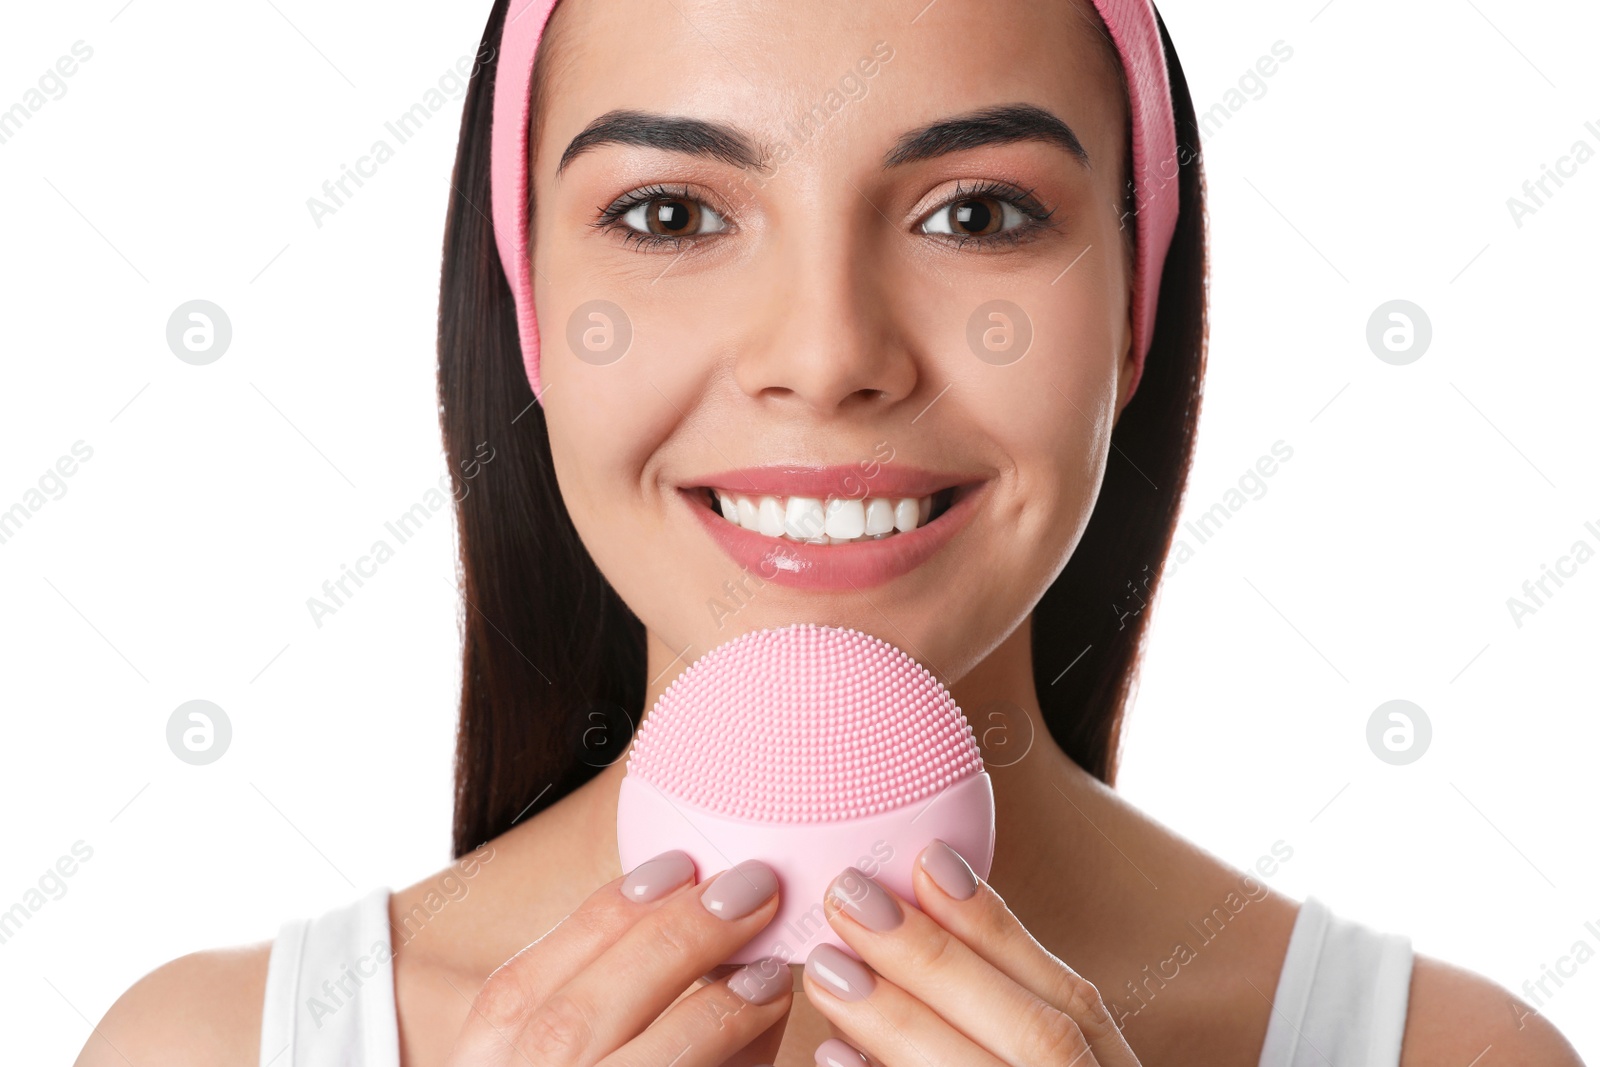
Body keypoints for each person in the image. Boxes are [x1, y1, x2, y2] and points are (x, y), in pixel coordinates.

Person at [75, 0, 1586, 1064]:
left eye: (977, 213)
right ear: (529, 308)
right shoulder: (213, 1050)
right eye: (671, 215)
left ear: (1134, 305)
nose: (826, 350)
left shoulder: (1444, 1057)